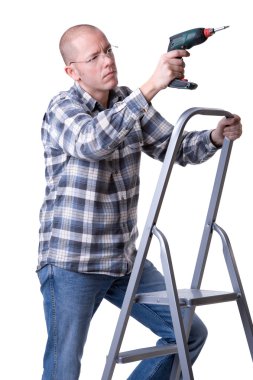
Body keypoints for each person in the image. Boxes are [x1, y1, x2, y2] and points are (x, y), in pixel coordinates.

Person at [37, 24, 242, 380]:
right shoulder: (63, 109)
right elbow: (93, 142)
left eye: (108, 50)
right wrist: (152, 87)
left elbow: (172, 147)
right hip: (73, 261)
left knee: (187, 334)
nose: (107, 61)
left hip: (123, 260)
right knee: (63, 366)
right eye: (94, 57)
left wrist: (213, 136)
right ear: (73, 71)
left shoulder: (127, 102)